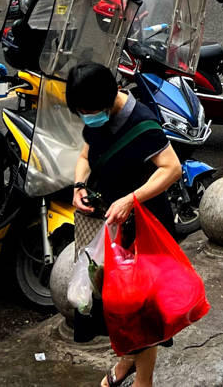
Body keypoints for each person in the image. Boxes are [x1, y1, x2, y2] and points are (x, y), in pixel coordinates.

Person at [67, 62, 187, 387]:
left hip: (143, 227)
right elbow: (84, 158)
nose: (87, 116)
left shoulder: (142, 123)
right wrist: (79, 186)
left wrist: (131, 199)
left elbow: (172, 168)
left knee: (140, 311)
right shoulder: (97, 120)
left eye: (90, 110)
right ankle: (127, 361)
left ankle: (143, 380)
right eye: (81, 111)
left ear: (109, 98)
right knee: (116, 307)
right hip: (110, 226)